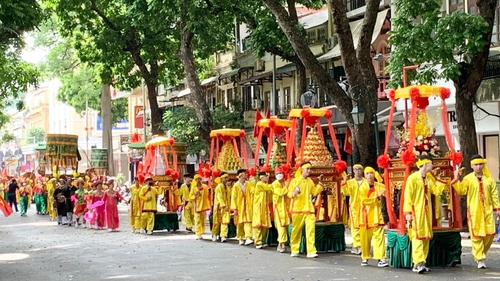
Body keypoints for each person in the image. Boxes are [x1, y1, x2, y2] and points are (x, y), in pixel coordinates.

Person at [452, 154, 500, 269]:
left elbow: (494, 195)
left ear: (483, 165)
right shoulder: (468, 178)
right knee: (477, 235)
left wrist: (497, 208)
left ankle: (481, 252)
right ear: (472, 166)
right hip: (474, 211)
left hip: (487, 211)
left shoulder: (489, 179)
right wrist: (456, 179)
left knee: (490, 234)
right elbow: (461, 190)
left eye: (480, 164)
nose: (478, 167)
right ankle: (480, 258)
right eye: (476, 165)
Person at [404, 155, 446, 274]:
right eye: (431, 163)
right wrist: (407, 213)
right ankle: (417, 263)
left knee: (426, 237)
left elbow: (436, 191)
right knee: (417, 237)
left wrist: (438, 179)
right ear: (426, 164)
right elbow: (408, 196)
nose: (432, 166)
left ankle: (422, 262)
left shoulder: (428, 178)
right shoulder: (412, 178)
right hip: (416, 212)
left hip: (426, 212)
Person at [288, 162, 324, 258]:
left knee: (310, 230)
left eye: (309, 169)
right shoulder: (294, 181)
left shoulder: (310, 181)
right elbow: (289, 194)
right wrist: (294, 193)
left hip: (309, 209)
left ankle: (311, 251)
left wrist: (320, 184)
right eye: (307, 169)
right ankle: (295, 249)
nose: (309, 171)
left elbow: (314, 192)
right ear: (301, 170)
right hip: (297, 209)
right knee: (296, 230)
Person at [358, 167, 388, 267]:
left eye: (372, 173)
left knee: (379, 237)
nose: (370, 175)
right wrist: (376, 197)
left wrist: (380, 178)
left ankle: (380, 258)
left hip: (377, 216)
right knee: (365, 239)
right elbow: (364, 200)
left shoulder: (378, 185)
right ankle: (365, 256)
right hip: (365, 216)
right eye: (367, 174)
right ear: (365, 176)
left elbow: (387, 188)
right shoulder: (362, 187)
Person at [341, 164, 365, 255]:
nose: (358, 171)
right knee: (355, 226)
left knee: (363, 226)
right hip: (354, 207)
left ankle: (362, 245)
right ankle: (356, 245)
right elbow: (346, 192)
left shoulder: (366, 182)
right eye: (356, 169)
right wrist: (344, 183)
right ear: (353, 171)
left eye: (359, 169)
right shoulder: (350, 182)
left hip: (364, 207)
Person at [231, 169, 255, 246]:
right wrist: (234, 208)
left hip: (247, 206)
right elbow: (233, 197)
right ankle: (240, 237)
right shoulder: (236, 185)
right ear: (240, 175)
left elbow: (253, 191)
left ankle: (248, 237)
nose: (246, 175)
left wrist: (253, 182)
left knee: (248, 221)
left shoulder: (249, 184)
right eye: (244, 174)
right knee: (239, 223)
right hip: (239, 206)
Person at [272, 167, 290, 253]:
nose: (279, 175)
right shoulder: (274, 184)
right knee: (281, 226)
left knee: (286, 226)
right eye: (277, 173)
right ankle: (282, 243)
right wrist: (287, 186)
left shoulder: (285, 183)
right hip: (279, 209)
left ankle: (281, 243)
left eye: (280, 173)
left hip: (286, 208)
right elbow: (281, 192)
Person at [252, 171, 273, 249]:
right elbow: (269, 187)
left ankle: (262, 240)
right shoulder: (259, 184)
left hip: (265, 208)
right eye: (266, 176)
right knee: (258, 224)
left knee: (265, 225)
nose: (267, 177)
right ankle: (258, 242)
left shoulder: (264, 184)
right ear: (262, 177)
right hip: (259, 207)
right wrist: (277, 182)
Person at [189, 174, 210, 240]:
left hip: (203, 206)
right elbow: (190, 197)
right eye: (196, 179)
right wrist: (195, 195)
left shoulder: (205, 187)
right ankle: (198, 233)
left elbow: (207, 195)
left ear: (201, 179)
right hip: (197, 206)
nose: (198, 180)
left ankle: (202, 231)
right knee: (197, 220)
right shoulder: (193, 188)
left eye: (199, 179)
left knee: (202, 220)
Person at [212, 172, 230, 242]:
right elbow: (220, 197)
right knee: (216, 222)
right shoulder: (219, 186)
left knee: (225, 221)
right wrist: (223, 205)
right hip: (219, 207)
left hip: (225, 207)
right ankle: (214, 234)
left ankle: (223, 235)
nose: (226, 179)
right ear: (221, 178)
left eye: (227, 177)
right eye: (225, 178)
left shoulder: (227, 187)